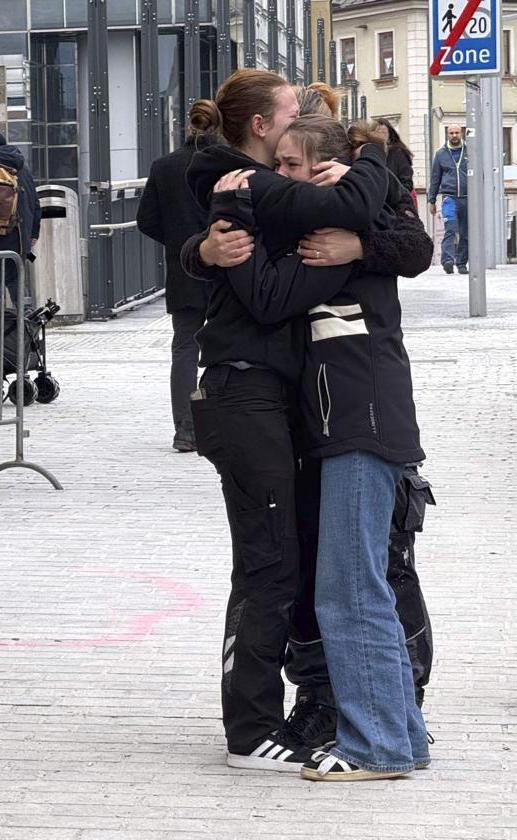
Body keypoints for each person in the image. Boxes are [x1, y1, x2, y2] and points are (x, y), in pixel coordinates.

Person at [182, 68, 393, 773]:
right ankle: (249, 730)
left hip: (275, 399)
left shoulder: (274, 190)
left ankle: (295, 710)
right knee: (268, 565)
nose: (302, 110)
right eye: (289, 109)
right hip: (243, 394)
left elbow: (403, 239)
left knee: (281, 560)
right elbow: (269, 299)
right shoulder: (242, 188)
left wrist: (358, 239)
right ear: (264, 130)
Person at [211, 117, 431, 780]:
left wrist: (360, 211)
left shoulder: (338, 237)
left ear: (327, 172)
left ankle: (376, 747)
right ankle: (403, 738)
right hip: (350, 424)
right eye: (273, 162)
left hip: (361, 422)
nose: (279, 176)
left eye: (292, 164)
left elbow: (411, 245)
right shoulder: (330, 232)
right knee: (358, 586)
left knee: (348, 590)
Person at [136, 106, 218, 452]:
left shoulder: (164, 166)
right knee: (226, 344)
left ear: (187, 125)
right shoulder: (225, 165)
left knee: (185, 346)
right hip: (225, 268)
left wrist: (177, 242)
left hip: (183, 268)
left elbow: (145, 220)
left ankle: (185, 428)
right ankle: (219, 422)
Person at [0, 130, 41, 316]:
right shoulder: (22, 167)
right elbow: (35, 203)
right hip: (19, 235)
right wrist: (33, 233)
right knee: (15, 280)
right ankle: (27, 321)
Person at [428, 124, 468, 274]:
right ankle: (448, 260)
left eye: (457, 132)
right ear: (447, 134)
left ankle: (462, 263)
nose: (454, 135)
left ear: (462, 133)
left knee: (465, 232)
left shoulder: (470, 151)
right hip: (449, 198)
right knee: (450, 228)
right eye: (451, 133)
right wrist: (431, 200)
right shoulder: (441, 154)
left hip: (468, 198)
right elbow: (435, 178)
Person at [380, 119, 415, 196]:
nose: (381, 136)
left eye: (384, 132)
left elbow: (407, 182)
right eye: (378, 133)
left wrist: (396, 196)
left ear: (389, 135)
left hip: (394, 203)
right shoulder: (369, 154)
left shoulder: (398, 154)